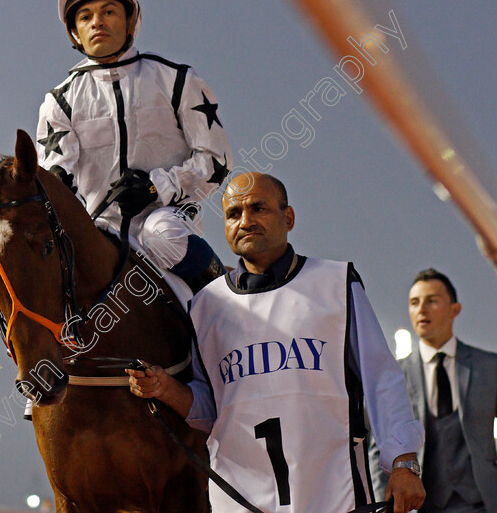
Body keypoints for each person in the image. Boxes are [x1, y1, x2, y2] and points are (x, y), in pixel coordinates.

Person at [127, 172, 426, 513]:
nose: (246, 221)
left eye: (258, 208)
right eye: (233, 214)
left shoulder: (336, 284)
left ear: (289, 217)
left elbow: (382, 381)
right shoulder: (205, 306)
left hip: (334, 495)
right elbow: (212, 410)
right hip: (240, 502)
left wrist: (403, 462)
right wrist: (164, 388)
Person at [36, 0, 233, 292]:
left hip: (168, 220)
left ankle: (224, 295)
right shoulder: (59, 102)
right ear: (75, 34)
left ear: (130, 22)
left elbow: (216, 160)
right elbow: (55, 179)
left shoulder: (178, 79)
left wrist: (156, 188)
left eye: (108, 12)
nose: (97, 22)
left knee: (161, 233)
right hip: (98, 230)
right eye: (85, 17)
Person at [369, 269, 497, 512]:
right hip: (421, 506)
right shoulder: (394, 376)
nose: (422, 309)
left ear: (455, 309)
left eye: (432, 301)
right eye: (414, 303)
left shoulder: (489, 367)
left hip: (483, 503)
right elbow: (379, 450)